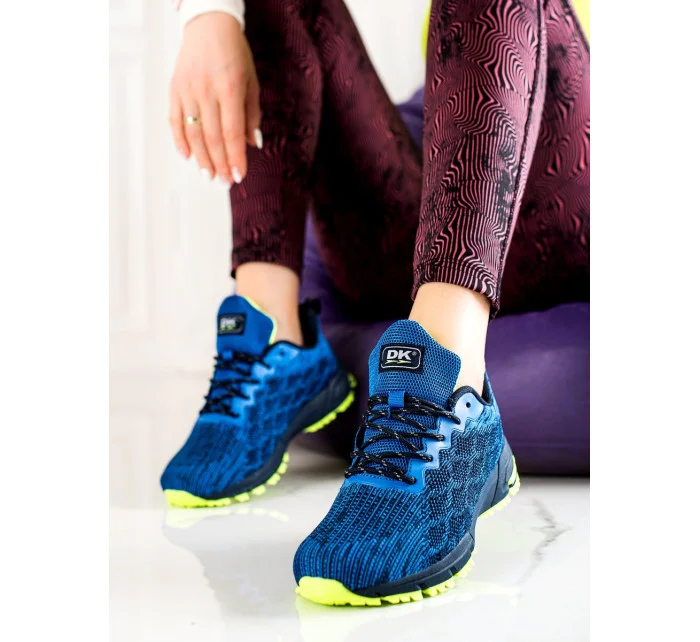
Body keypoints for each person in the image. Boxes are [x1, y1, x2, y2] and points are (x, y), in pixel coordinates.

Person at [161, 0, 589, 606]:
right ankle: (275, 339)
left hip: (568, 212)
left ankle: (450, 389)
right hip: (432, 225)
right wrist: (208, 15)